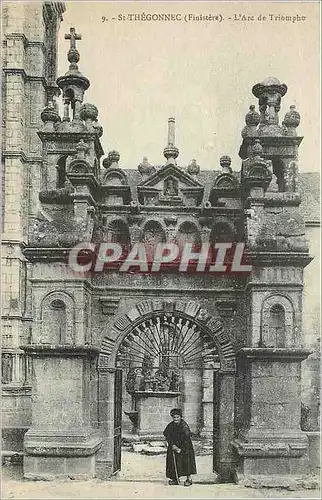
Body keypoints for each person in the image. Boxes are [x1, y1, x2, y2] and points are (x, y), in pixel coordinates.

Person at [163, 408, 197, 486]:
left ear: (180, 417)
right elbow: (166, 434)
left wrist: (179, 448)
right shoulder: (171, 425)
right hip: (174, 446)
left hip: (185, 446)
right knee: (173, 461)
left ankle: (189, 479)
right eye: (174, 417)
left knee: (186, 461)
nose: (176, 419)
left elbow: (186, 438)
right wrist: (172, 445)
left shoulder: (184, 426)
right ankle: (175, 478)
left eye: (177, 417)